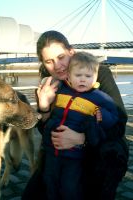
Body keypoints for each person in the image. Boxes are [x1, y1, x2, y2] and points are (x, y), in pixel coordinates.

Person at [22, 30, 128, 200]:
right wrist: (44, 108)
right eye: (49, 61)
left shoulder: (98, 73)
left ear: (72, 52)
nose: (57, 66)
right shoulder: (49, 82)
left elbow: (119, 124)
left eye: (61, 57)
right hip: (60, 155)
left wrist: (82, 139)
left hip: (100, 149)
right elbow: (45, 130)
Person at [41, 51, 119, 200]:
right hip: (51, 152)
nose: (83, 80)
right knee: (50, 184)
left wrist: (102, 115)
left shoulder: (99, 98)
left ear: (95, 77)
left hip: (74, 155)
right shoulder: (62, 90)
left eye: (88, 76)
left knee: (70, 188)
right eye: (78, 76)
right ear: (69, 76)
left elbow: (115, 116)